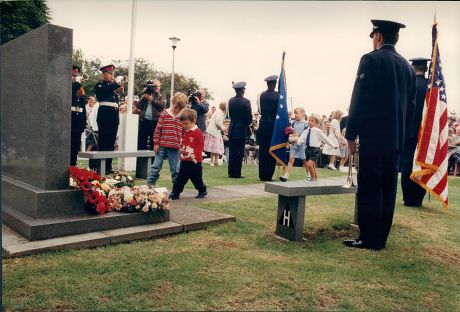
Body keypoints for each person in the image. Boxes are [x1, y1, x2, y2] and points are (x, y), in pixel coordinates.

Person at [344, 19, 416, 250]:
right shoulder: (407, 67)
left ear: (378, 37)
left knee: (370, 188)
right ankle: (381, 237)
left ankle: (368, 237)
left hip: (374, 137)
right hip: (396, 139)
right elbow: (412, 108)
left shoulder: (370, 60)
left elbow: (360, 99)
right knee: (387, 187)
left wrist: (351, 133)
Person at [401, 57, 430, 207]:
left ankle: (408, 198)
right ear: (425, 69)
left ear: (412, 68)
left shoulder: (408, 85)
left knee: (407, 164)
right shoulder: (431, 88)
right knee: (423, 164)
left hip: (409, 132)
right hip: (426, 133)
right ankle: (417, 198)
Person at [146, 92, 188, 187]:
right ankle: (149, 186)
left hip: (175, 147)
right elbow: (158, 130)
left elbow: (184, 133)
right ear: (173, 102)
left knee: (176, 170)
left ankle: (176, 190)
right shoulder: (164, 114)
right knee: (155, 167)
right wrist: (156, 143)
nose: (177, 109)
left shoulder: (183, 117)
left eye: (180, 108)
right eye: (176, 106)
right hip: (162, 146)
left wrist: (183, 145)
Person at [94, 64, 126, 173]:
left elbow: (116, 97)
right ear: (103, 74)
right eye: (110, 73)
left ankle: (108, 166)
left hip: (113, 117)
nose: (112, 75)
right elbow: (106, 91)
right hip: (104, 116)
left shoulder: (113, 87)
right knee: (103, 142)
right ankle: (100, 166)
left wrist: (119, 86)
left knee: (111, 142)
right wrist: (117, 83)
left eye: (113, 73)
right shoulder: (100, 85)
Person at [169, 108, 207, 200]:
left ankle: (202, 190)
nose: (184, 126)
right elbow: (183, 143)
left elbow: (200, 145)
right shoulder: (185, 132)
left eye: (186, 124)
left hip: (195, 161)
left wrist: (195, 154)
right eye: (182, 124)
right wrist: (181, 149)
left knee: (197, 179)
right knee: (180, 178)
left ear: (193, 121)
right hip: (185, 160)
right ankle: (175, 193)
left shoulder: (198, 132)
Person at [298, 114, 338, 181]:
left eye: (312, 121)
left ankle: (312, 179)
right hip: (307, 149)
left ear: (316, 123)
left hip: (315, 150)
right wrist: (298, 142)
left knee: (310, 165)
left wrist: (333, 146)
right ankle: (315, 178)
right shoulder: (306, 131)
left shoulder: (318, 131)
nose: (310, 122)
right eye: (309, 120)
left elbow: (326, 139)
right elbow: (301, 139)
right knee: (312, 166)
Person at [228, 82, 252, 178]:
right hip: (242, 129)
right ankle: (237, 172)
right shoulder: (246, 102)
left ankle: (231, 172)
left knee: (232, 151)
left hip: (233, 128)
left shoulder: (231, 101)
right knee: (239, 152)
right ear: (243, 90)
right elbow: (249, 118)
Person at [257, 75, 279, 181]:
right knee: (271, 151)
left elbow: (260, 111)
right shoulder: (278, 95)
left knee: (262, 151)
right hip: (273, 125)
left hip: (263, 125)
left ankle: (262, 174)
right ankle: (268, 175)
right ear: (274, 84)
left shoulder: (261, 95)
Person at [280, 107, 309, 182]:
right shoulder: (293, 123)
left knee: (304, 161)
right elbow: (291, 133)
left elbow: (306, 135)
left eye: (297, 113)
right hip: (294, 144)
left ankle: (308, 174)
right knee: (290, 160)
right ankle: (286, 176)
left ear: (303, 114)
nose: (295, 115)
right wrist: (291, 138)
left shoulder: (306, 124)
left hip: (302, 145)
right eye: (295, 113)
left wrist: (298, 136)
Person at [136, 79, 166, 150]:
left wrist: (151, 100)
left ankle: (153, 161)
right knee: (141, 142)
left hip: (155, 122)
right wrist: (145, 97)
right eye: (155, 86)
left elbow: (162, 105)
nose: (157, 87)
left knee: (153, 142)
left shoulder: (161, 96)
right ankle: (141, 160)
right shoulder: (146, 94)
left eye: (158, 86)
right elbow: (139, 106)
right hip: (144, 121)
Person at [70, 65, 87, 166]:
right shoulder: (69, 86)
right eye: (72, 75)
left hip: (78, 119)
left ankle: (73, 163)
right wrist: (79, 83)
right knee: (69, 143)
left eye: (76, 75)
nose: (74, 77)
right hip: (70, 118)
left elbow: (82, 107)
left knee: (76, 144)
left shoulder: (79, 88)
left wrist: (83, 121)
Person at [204, 101, 226, 166]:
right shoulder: (219, 113)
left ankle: (216, 160)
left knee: (217, 147)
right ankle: (211, 161)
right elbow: (218, 122)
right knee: (214, 147)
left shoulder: (219, 112)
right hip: (213, 131)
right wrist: (223, 128)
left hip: (216, 132)